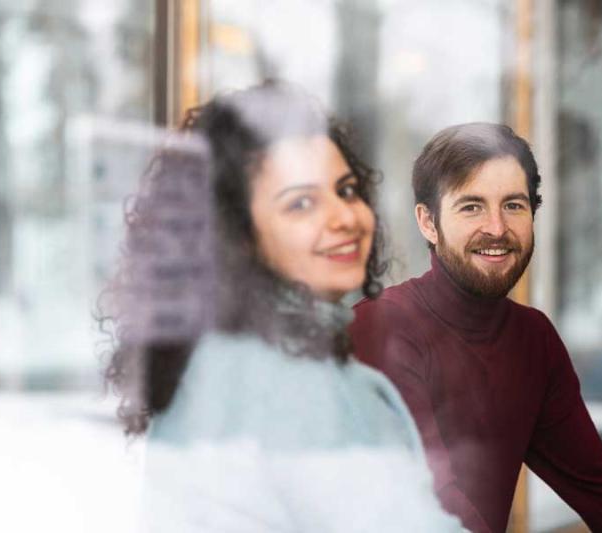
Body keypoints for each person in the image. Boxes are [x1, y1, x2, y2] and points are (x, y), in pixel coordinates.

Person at [101, 82, 465, 532]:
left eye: (347, 190)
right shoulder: (284, 382)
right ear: (236, 238)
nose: (344, 216)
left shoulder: (215, 362)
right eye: (301, 203)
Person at [349, 122, 602, 532]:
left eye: (514, 205)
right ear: (428, 222)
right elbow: (434, 506)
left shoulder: (532, 340)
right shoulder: (380, 328)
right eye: (472, 206)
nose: (497, 229)